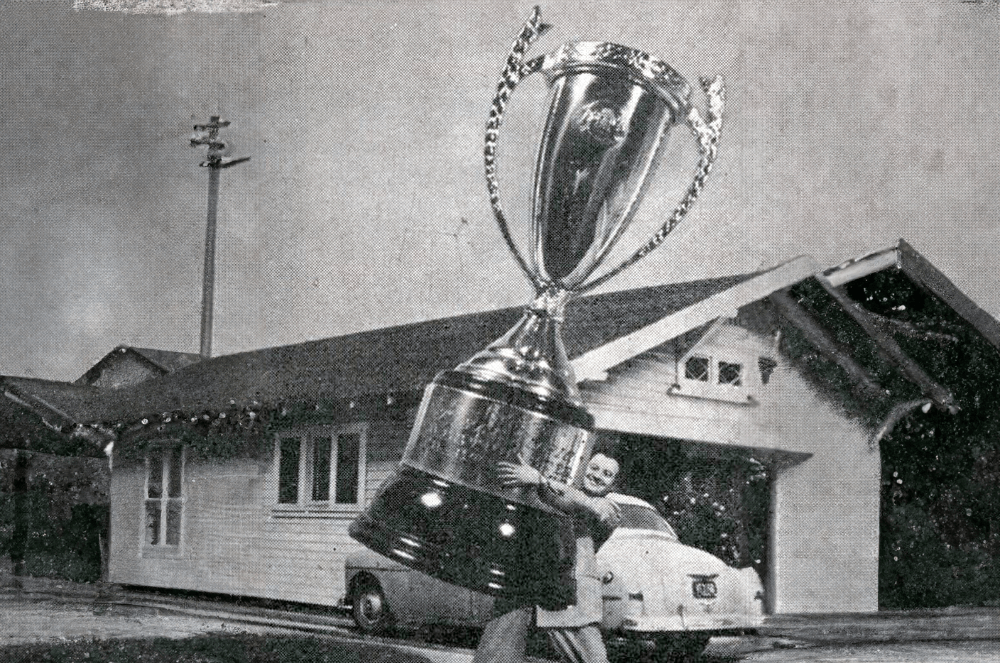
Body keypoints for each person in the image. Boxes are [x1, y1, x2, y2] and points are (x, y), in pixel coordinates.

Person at [472, 451, 621, 663]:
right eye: (594, 468)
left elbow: (572, 503)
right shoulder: (556, 491)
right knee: (493, 656)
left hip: (571, 597)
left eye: (607, 474)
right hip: (524, 587)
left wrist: (539, 480)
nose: (597, 476)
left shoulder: (608, 509)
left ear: (613, 484)